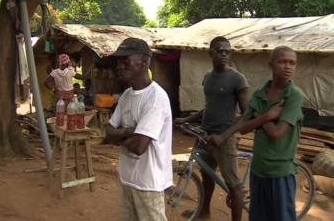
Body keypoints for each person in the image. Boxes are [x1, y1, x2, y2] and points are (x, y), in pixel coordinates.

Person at [217, 46, 302, 221]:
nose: (287, 67)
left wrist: (259, 116)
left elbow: (277, 134)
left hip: (280, 171)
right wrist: (268, 116)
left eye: (292, 63)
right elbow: (244, 127)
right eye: (282, 62)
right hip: (259, 169)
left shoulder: (294, 95)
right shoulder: (260, 93)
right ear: (270, 64)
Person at [174, 36, 248, 221]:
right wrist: (186, 119)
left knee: (234, 186)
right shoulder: (208, 77)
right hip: (205, 135)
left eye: (227, 51)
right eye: (220, 51)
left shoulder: (237, 79)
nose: (224, 54)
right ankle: (204, 212)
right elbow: (209, 107)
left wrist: (224, 136)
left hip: (225, 139)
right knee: (207, 177)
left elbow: (247, 115)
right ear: (210, 53)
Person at [105, 38, 172, 221]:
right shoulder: (127, 95)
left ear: (143, 63)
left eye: (125, 61)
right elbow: (108, 132)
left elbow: (139, 146)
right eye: (118, 62)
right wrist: (129, 131)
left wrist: (119, 136)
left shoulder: (156, 98)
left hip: (148, 184)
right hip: (127, 179)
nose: (119, 66)